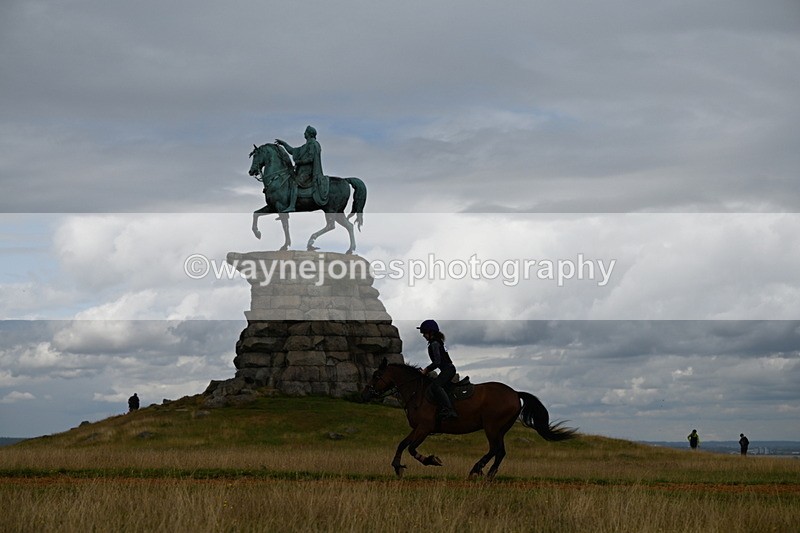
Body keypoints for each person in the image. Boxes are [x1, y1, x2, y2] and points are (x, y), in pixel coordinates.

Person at [274, 125, 329, 212]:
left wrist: (299, 162)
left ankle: (292, 206)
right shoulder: (306, 145)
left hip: (308, 172)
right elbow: (293, 151)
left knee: (294, 183)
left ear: (309, 134)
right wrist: (284, 144)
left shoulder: (313, 144)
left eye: (305, 132)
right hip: (302, 171)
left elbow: (311, 158)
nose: (304, 134)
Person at [417, 319, 458, 420]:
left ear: (431, 332)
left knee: (435, 386)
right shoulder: (437, 342)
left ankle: (449, 410)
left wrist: (426, 370)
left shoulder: (434, 344)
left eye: (424, 333)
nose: (423, 335)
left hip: (448, 370)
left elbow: (437, 362)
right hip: (448, 369)